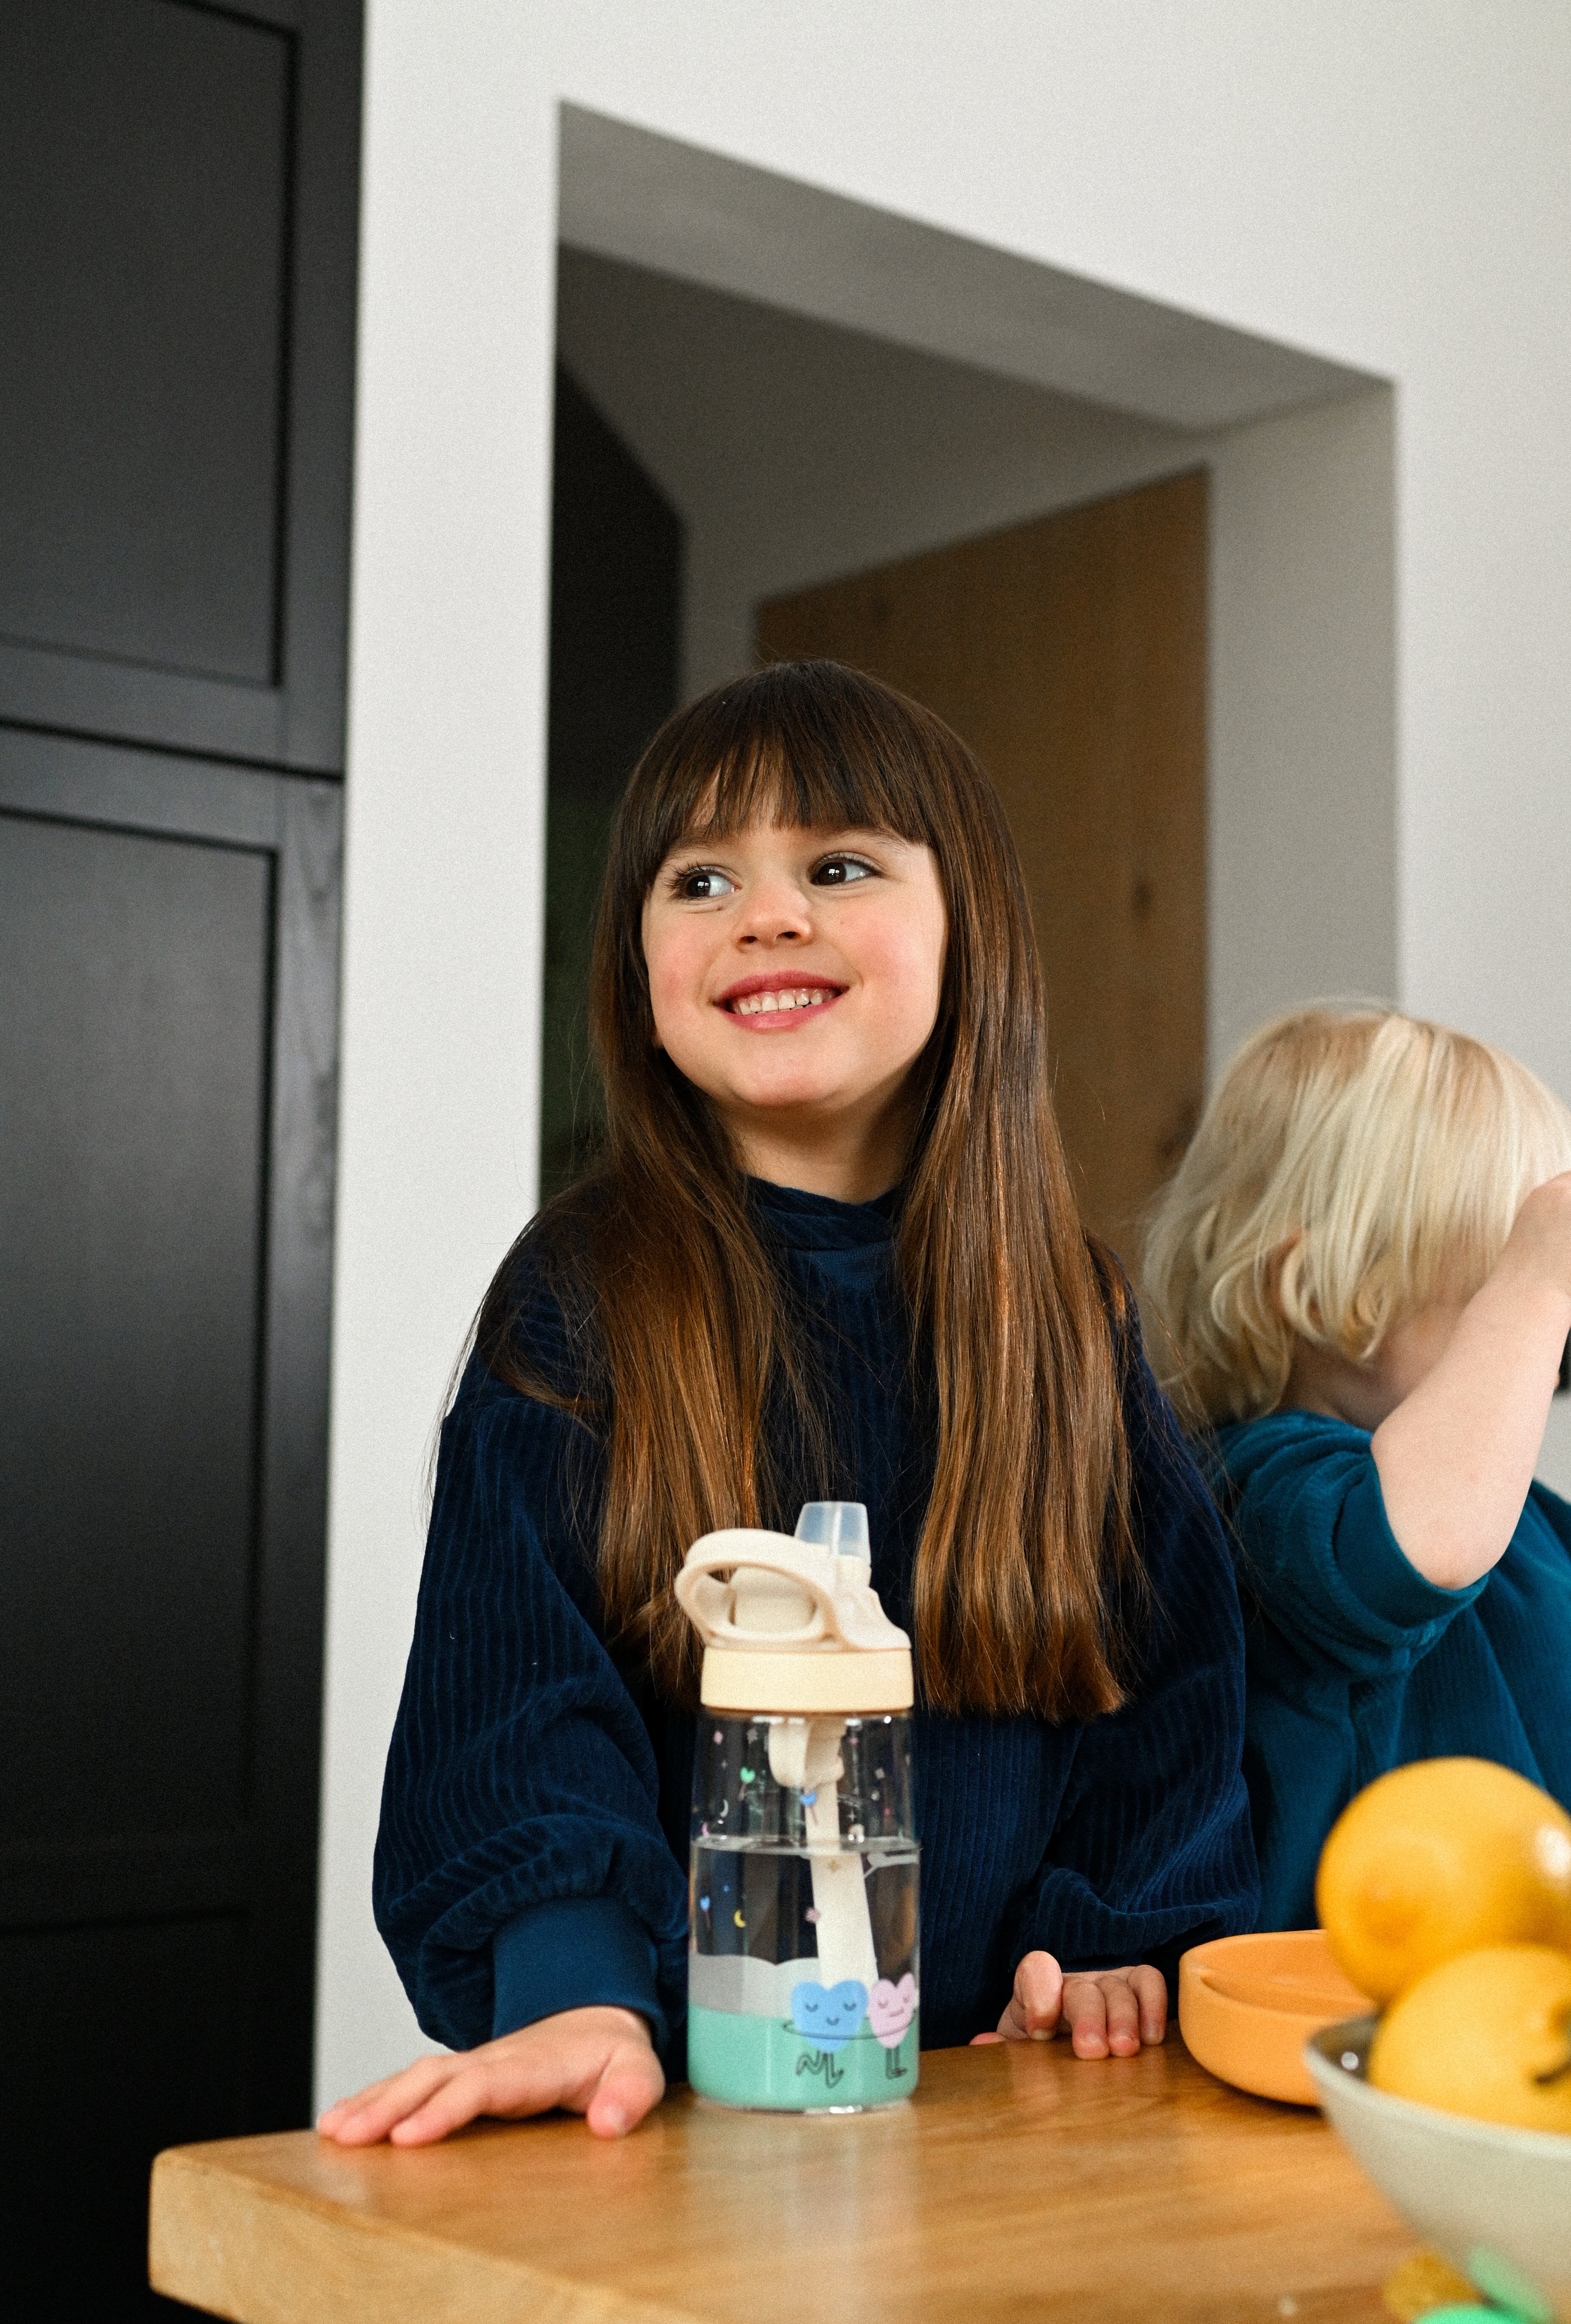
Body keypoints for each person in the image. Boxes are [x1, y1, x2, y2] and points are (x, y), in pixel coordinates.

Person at [319, 661, 1256, 2150]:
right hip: (672, 2121)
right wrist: (573, 1990)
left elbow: (1166, 1692)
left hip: (1007, 2121)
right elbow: (516, 1703)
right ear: (637, 964)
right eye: (702, 878)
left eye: (837, 863)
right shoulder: (578, 1296)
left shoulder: (1068, 1317)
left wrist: (1113, 1953)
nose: (767, 912)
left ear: (973, 929)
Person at [1142, 1005, 1571, 1935]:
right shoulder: (1260, 1485)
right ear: (1313, 1288)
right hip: (1330, 2025)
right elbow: (1415, 1550)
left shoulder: (1529, 1523)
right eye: (1495, 1282)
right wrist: (1539, 1280)